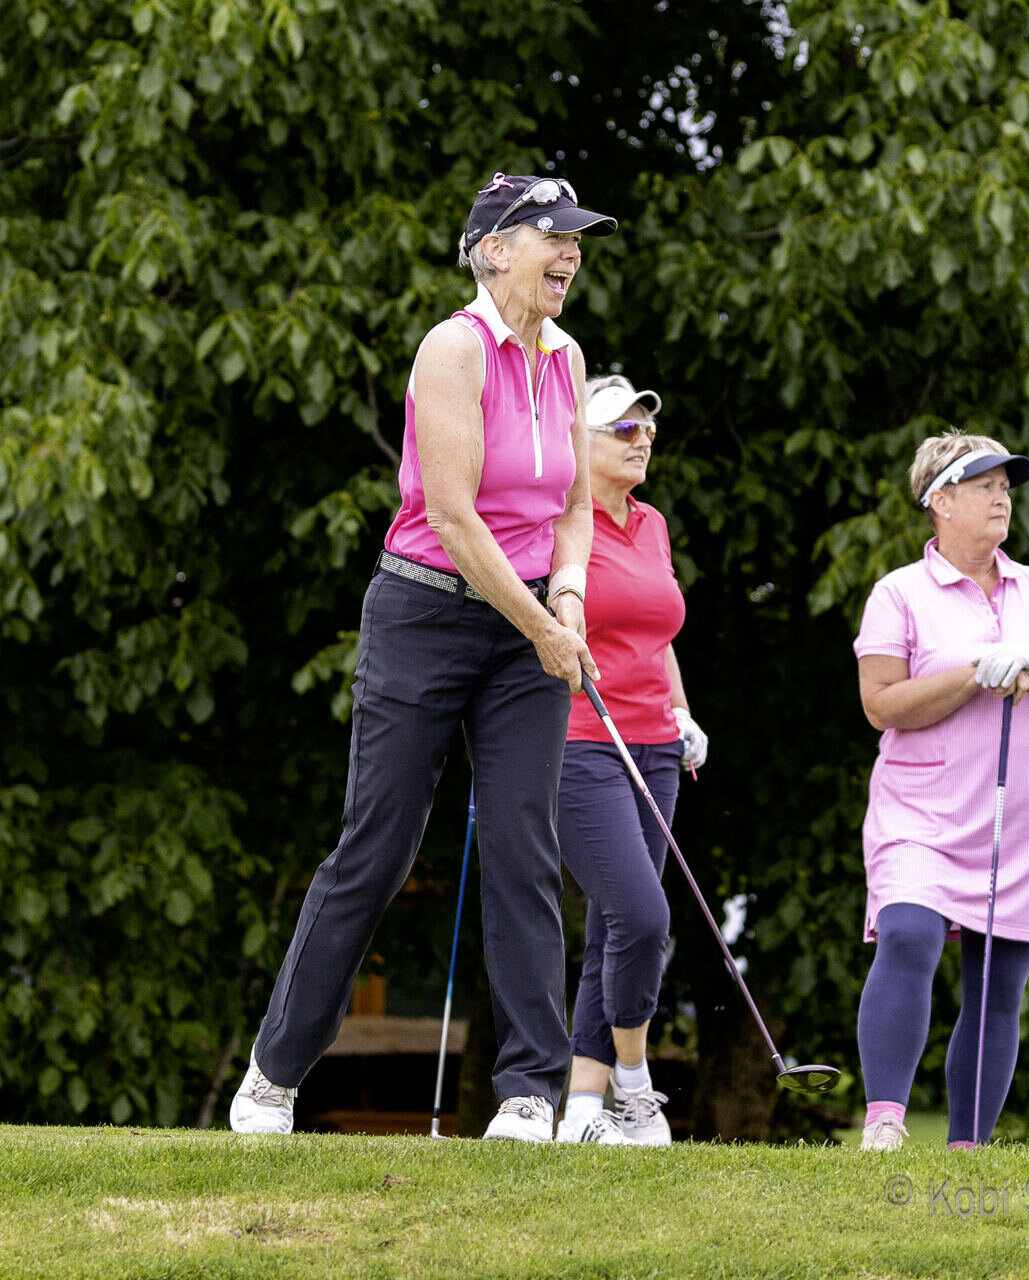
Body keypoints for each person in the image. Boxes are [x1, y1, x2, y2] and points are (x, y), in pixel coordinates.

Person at [230, 172, 618, 1142]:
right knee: (380, 845)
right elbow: (451, 516)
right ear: (493, 250)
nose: (570, 253)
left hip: (528, 622)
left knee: (525, 847)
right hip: (425, 612)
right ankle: (273, 1077)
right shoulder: (453, 349)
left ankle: (528, 1093)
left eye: (575, 239)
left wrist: (568, 595)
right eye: (552, 236)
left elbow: (574, 505)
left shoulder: (567, 355)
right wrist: (543, 626)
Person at [853, 430, 1029, 1151]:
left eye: (1005, 486)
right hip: (923, 812)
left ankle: (967, 1149)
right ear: (941, 501)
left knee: (998, 981)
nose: (1002, 498)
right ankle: (885, 1123)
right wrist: (974, 675)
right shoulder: (899, 593)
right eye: (984, 485)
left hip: (1021, 817)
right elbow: (881, 703)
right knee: (908, 933)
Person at [552, 374, 708, 1146]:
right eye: (621, 427)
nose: (641, 438)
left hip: (655, 746)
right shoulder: (557, 524)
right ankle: (637, 1086)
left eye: (646, 427)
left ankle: (584, 1109)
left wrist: (681, 712)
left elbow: (658, 632)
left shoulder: (652, 525)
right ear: (576, 440)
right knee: (643, 917)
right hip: (581, 741)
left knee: (619, 925)